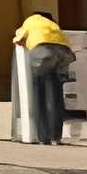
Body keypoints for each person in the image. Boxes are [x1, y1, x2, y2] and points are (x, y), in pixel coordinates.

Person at [14, 11, 74, 144]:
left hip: (42, 52)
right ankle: (56, 137)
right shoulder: (52, 24)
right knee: (55, 94)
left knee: (38, 95)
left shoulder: (31, 21)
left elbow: (18, 38)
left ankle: (43, 137)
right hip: (63, 52)